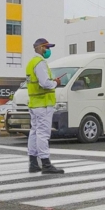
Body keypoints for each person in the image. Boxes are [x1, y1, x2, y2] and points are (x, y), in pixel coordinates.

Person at [26, 38, 64, 174]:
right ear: (41, 47)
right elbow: (44, 83)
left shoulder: (31, 62)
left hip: (34, 103)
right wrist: (55, 83)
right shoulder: (40, 63)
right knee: (43, 134)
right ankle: (46, 164)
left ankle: (33, 163)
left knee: (34, 132)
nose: (49, 50)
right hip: (43, 104)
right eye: (47, 47)